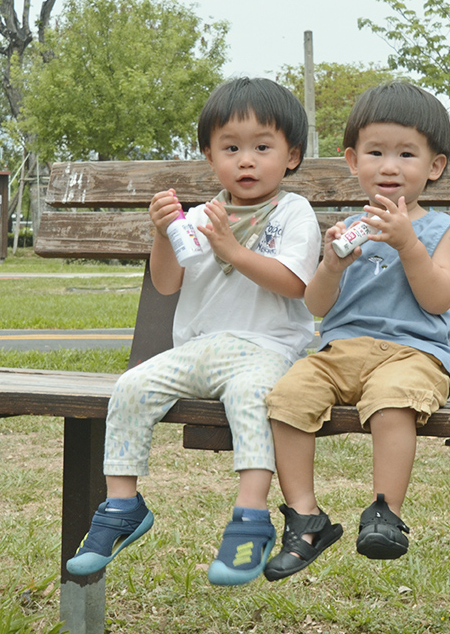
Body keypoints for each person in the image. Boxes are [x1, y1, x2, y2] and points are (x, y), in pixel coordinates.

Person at [66, 77, 321, 587]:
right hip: (199, 351)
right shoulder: (201, 216)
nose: (246, 160)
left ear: (291, 156)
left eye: (262, 147)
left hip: (265, 349)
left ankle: (251, 515)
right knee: (131, 387)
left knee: (253, 398)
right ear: (210, 156)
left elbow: (296, 285)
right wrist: (164, 234)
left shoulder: (293, 212)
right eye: (231, 148)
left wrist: (232, 250)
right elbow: (167, 283)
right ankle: (122, 506)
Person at [262, 81, 450, 581]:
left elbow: (439, 298)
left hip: (413, 353)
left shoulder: (438, 229)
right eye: (375, 152)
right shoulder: (351, 228)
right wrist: (329, 265)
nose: (389, 166)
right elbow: (316, 303)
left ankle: (384, 512)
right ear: (353, 160)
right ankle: (306, 518)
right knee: (287, 396)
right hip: (341, 350)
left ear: (434, 167)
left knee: (393, 401)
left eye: (407, 154)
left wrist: (408, 244)